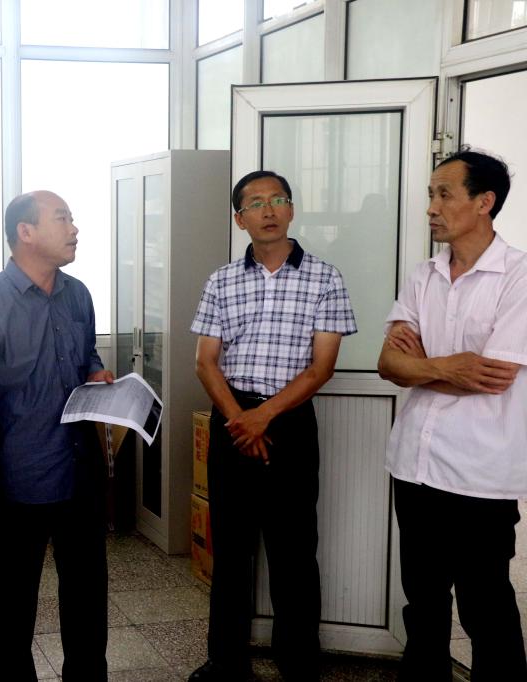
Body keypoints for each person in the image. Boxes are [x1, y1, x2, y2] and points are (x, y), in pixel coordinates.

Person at [188, 170, 357, 681]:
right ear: (240, 219)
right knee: (231, 551)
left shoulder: (325, 278)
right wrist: (240, 420)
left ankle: (299, 664)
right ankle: (226, 663)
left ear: (291, 210)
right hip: (232, 419)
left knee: (294, 552)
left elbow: (321, 368)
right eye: (256, 203)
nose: (268, 210)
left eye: (278, 200)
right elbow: (205, 362)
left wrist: (263, 417)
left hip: (289, 423)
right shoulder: (221, 280)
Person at [377, 149, 527, 681]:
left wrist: (420, 365)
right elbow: (388, 364)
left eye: (444, 194)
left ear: (484, 202)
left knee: (486, 605)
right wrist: (448, 366)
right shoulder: (424, 275)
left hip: (479, 473)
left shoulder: (518, 275)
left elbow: (493, 376)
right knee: (422, 603)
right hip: (414, 465)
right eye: (430, 195)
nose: (431, 208)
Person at [0, 190, 113, 681]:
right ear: (25, 232)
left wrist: (97, 372)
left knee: (87, 593)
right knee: (14, 596)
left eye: (72, 219)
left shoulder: (78, 294)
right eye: (62, 219)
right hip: (20, 474)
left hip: (81, 469)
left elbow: (86, 355)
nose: (74, 229)